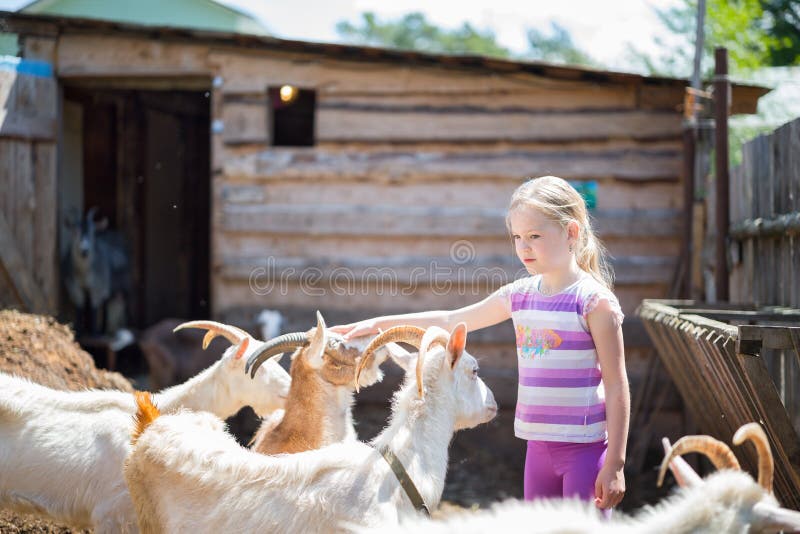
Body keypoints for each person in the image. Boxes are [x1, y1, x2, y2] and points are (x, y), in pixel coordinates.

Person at [331, 176, 628, 515]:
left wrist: (615, 463)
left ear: (571, 233)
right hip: (537, 450)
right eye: (517, 237)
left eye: (534, 236)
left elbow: (617, 385)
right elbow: (450, 318)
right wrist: (378, 325)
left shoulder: (594, 303)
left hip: (585, 450)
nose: (523, 247)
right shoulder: (520, 296)